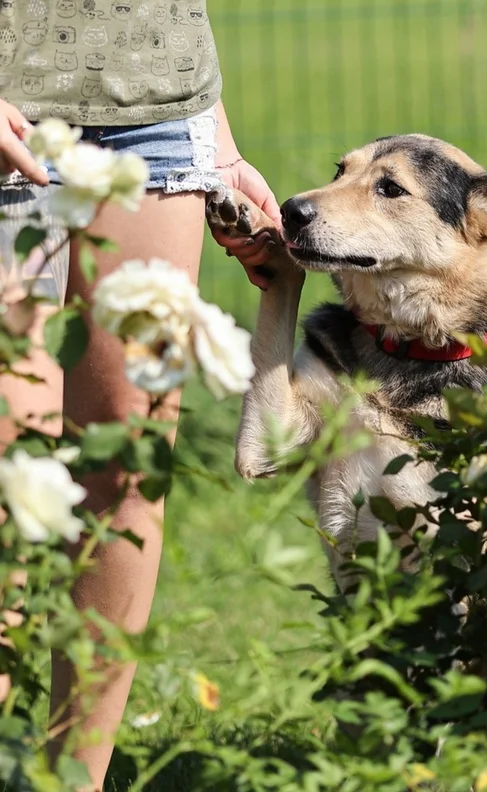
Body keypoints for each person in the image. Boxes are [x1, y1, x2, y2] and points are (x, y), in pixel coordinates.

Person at [0, 3, 273, 788]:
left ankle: (72, 782)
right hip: (11, 108)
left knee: (127, 460)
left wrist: (212, 131)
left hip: (158, 108)